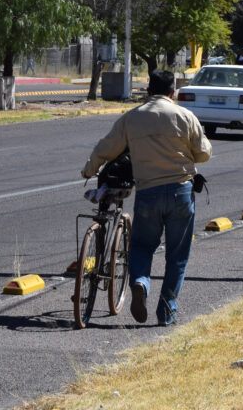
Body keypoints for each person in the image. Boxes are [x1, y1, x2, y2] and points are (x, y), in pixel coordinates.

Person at [81, 70, 212, 326]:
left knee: (141, 246)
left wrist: (89, 170)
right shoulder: (186, 116)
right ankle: (166, 311)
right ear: (173, 92)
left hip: (148, 193)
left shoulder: (132, 118)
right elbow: (203, 153)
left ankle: (140, 281)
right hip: (181, 192)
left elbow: (106, 148)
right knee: (177, 256)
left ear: (148, 91)